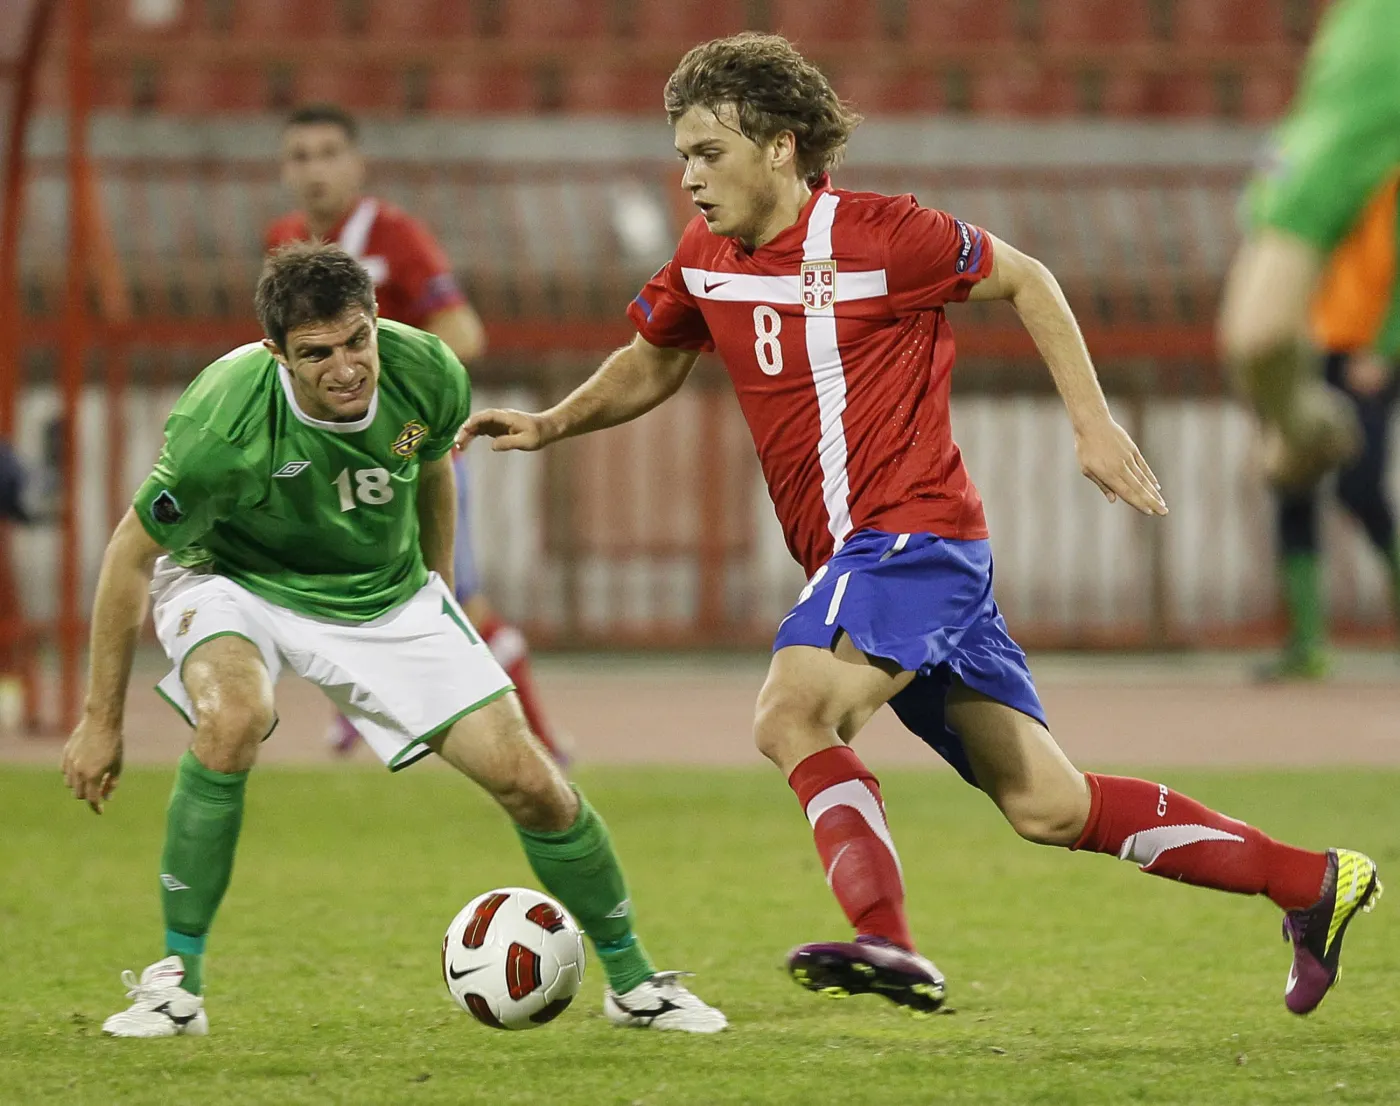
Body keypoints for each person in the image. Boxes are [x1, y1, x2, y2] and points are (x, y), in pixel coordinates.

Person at [462, 34, 1382, 1018]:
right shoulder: (705, 258)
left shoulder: (885, 237)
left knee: (792, 711)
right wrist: (555, 419)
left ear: (780, 147)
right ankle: (1308, 878)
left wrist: (1090, 424)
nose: (688, 176)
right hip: (886, 562)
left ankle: (887, 939)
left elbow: (1025, 277)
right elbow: (654, 355)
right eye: (681, 154)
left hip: (912, 540)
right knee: (1047, 804)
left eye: (707, 153)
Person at [60, 243, 725, 1037]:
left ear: (376, 322)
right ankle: (176, 984)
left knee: (532, 783)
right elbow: (130, 554)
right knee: (231, 718)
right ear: (278, 354)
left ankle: (634, 982)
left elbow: (435, 470)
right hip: (235, 581)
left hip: (384, 591)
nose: (346, 368)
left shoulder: (429, 371)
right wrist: (101, 720)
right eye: (317, 354)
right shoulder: (219, 425)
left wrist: (438, 595)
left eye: (357, 341)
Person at [266, 103, 567, 764]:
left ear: (356, 163)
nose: (314, 170)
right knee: (351, 584)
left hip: (405, 448)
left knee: (457, 600)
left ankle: (536, 740)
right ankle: (372, 712)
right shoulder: (285, 241)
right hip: (328, 456)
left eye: (327, 153)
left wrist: (402, 412)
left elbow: (463, 333)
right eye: (300, 156)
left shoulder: (394, 236)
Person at [1218, 0, 1400, 493]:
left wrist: (1385, 346)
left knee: (1362, 491)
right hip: (1322, 339)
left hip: (1358, 344)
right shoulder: (1352, 55)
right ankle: (1304, 433)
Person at [1263, 174, 1400, 680]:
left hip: (1363, 353)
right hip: (1305, 350)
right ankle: (1308, 645)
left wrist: (1386, 347)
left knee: (1361, 489)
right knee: (1291, 483)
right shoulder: (1308, 168)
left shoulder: (1386, 176)